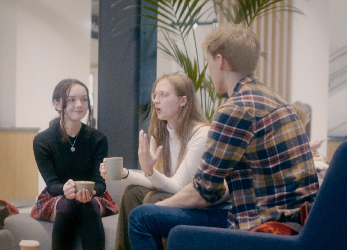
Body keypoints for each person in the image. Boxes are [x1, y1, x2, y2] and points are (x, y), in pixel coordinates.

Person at [128, 25, 319, 250]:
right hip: (300, 225)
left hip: (263, 228)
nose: (209, 70)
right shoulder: (277, 101)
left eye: (208, 63)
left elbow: (202, 193)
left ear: (220, 61)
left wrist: (162, 207)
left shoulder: (236, 108)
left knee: (141, 217)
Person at [99, 73, 209, 250]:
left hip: (195, 204)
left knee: (153, 197)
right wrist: (125, 174)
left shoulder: (201, 134)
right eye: (155, 95)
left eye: (163, 95)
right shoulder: (160, 132)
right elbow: (155, 180)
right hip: (171, 194)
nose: (156, 100)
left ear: (183, 100)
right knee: (131, 193)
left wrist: (150, 171)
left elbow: (178, 186)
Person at [31, 79, 118, 250]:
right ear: (57, 104)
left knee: (87, 204)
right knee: (68, 203)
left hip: (93, 196)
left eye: (84, 99)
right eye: (71, 100)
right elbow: (52, 184)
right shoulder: (42, 141)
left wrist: (92, 191)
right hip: (56, 195)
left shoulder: (98, 139)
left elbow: (100, 182)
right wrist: (66, 190)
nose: (79, 104)